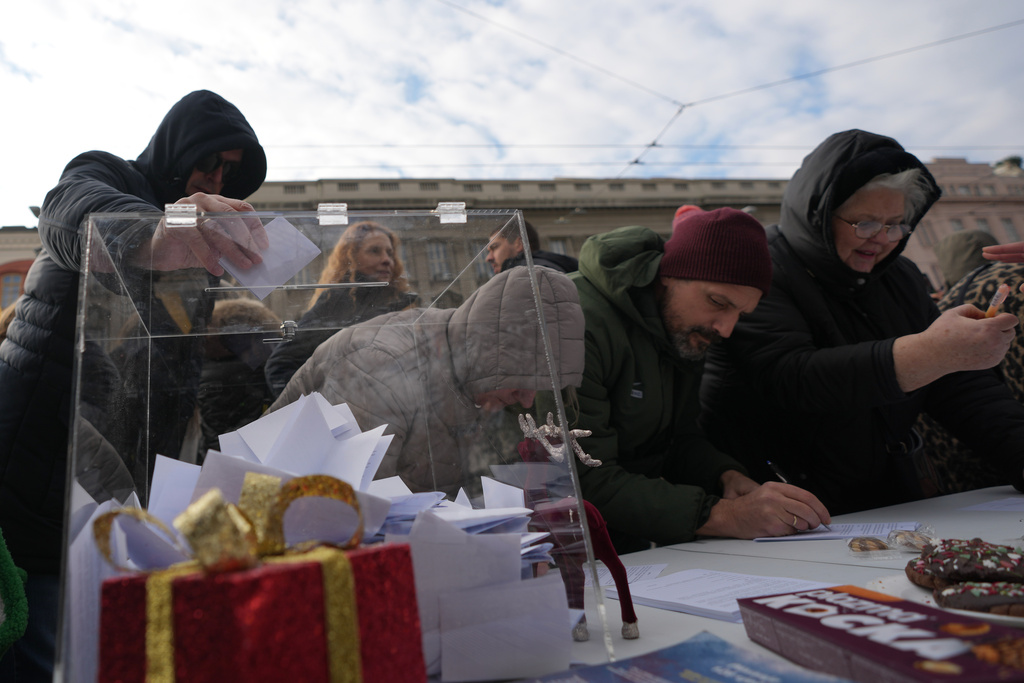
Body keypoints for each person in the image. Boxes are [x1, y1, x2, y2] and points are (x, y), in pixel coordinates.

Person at [0, 90, 267, 681]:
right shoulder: (104, 174)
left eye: (230, 173)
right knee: (42, 650)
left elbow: (176, 373)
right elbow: (71, 211)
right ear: (178, 148)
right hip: (41, 465)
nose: (216, 178)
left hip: (120, 488)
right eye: (210, 162)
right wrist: (154, 232)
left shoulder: (202, 251)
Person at [700, 129, 1024, 516]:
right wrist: (930, 353)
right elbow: (790, 377)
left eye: (896, 225)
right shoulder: (763, 266)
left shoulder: (900, 276)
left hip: (885, 497)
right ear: (819, 215)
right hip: (774, 500)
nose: (882, 239)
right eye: (865, 224)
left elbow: (960, 387)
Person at [535, 208, 831, 555]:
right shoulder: (573, 323)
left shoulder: (681, 328)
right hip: (549, 541)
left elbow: (677, 440)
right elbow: (579, 475)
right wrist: (725, 515)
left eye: (740, 313)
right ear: (670, 275)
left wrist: (725, 477)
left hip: (626, 533)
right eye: (718, 302)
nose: (726, 328)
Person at [269, 266, 585, 497]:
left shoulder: (468, 370)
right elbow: (352, 509)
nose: (528, 400)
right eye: (522, 376)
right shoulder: (382, 366)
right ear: (491, 350)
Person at [264, 221, 417, 398]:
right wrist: (324, 407)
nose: (386, 260)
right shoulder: (336, 302)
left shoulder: (402, 302)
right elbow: (280, 364)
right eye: (374, 251)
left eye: (390, 253)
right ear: (352, 258)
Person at [485, 220, 578, 274]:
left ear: (519, 244)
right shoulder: (549, 267)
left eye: (495, 247)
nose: (488, 258)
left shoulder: (530, 273)